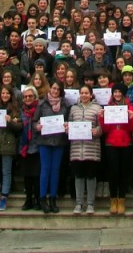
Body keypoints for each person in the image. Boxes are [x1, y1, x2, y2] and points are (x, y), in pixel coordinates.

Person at [99, 83, 133, 215]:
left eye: (119, 92)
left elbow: (132, 129)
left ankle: (121, 199)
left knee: (123, 173)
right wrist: (102, 117)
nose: (117, 94)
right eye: (115, 92)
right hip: (111, 144)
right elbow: (105, 129)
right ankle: (113, 199)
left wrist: (131, 118)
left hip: (125, 143)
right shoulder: (108, 108)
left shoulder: (130, 108)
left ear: (123, 94)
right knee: (113, 173)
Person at [35, 80, 69, 214]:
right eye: (53, 88)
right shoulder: (42, 104)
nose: (55, 91)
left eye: (58, 90)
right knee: (45, 169)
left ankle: (53, 198)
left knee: (55, 170)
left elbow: (68, 120)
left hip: (59, 141)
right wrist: (36, 127)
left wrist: (67, 125)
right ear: (50, 89)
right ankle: (43, 198)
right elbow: (34, 121)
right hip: (45, 141)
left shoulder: (65, 105)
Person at [68, 85, 103, 215]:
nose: (84, 95)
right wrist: (67, 128)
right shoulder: (73, 108)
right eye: (82, 93)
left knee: (90, 177)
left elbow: (102, 127)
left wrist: (97, 131)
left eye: (86, 93)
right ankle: (78, 203)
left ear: (91, 94)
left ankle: (90, 204)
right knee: (78, 176)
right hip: (77, 148)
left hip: (91, 148)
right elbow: (70, 123)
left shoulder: (97, 108)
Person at [19, 86, 42, 211]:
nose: (28, 98)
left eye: (30, 96)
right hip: (24, 147)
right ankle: (28, 199)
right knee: (27, 176)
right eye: (25, 96)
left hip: (37, 146)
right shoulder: (20, 111)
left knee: (37, 176)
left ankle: (37, 199)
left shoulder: (40, 109)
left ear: (35, 97)